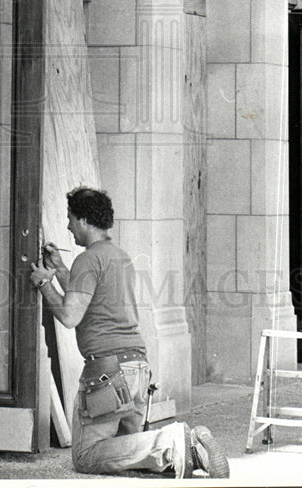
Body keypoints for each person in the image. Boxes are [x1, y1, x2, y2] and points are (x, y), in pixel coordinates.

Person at [30, 186, 229, 479]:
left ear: (85, 220)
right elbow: (89, 299)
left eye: (71, 218)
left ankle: (174, 442)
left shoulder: (88, 259)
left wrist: (44, 284)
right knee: (127, 452)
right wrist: (59, 269)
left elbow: (71, 315)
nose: (68, 226)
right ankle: (193, 453)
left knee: (86, 456)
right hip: (136, 368)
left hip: (107, 373)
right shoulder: (119, 257)